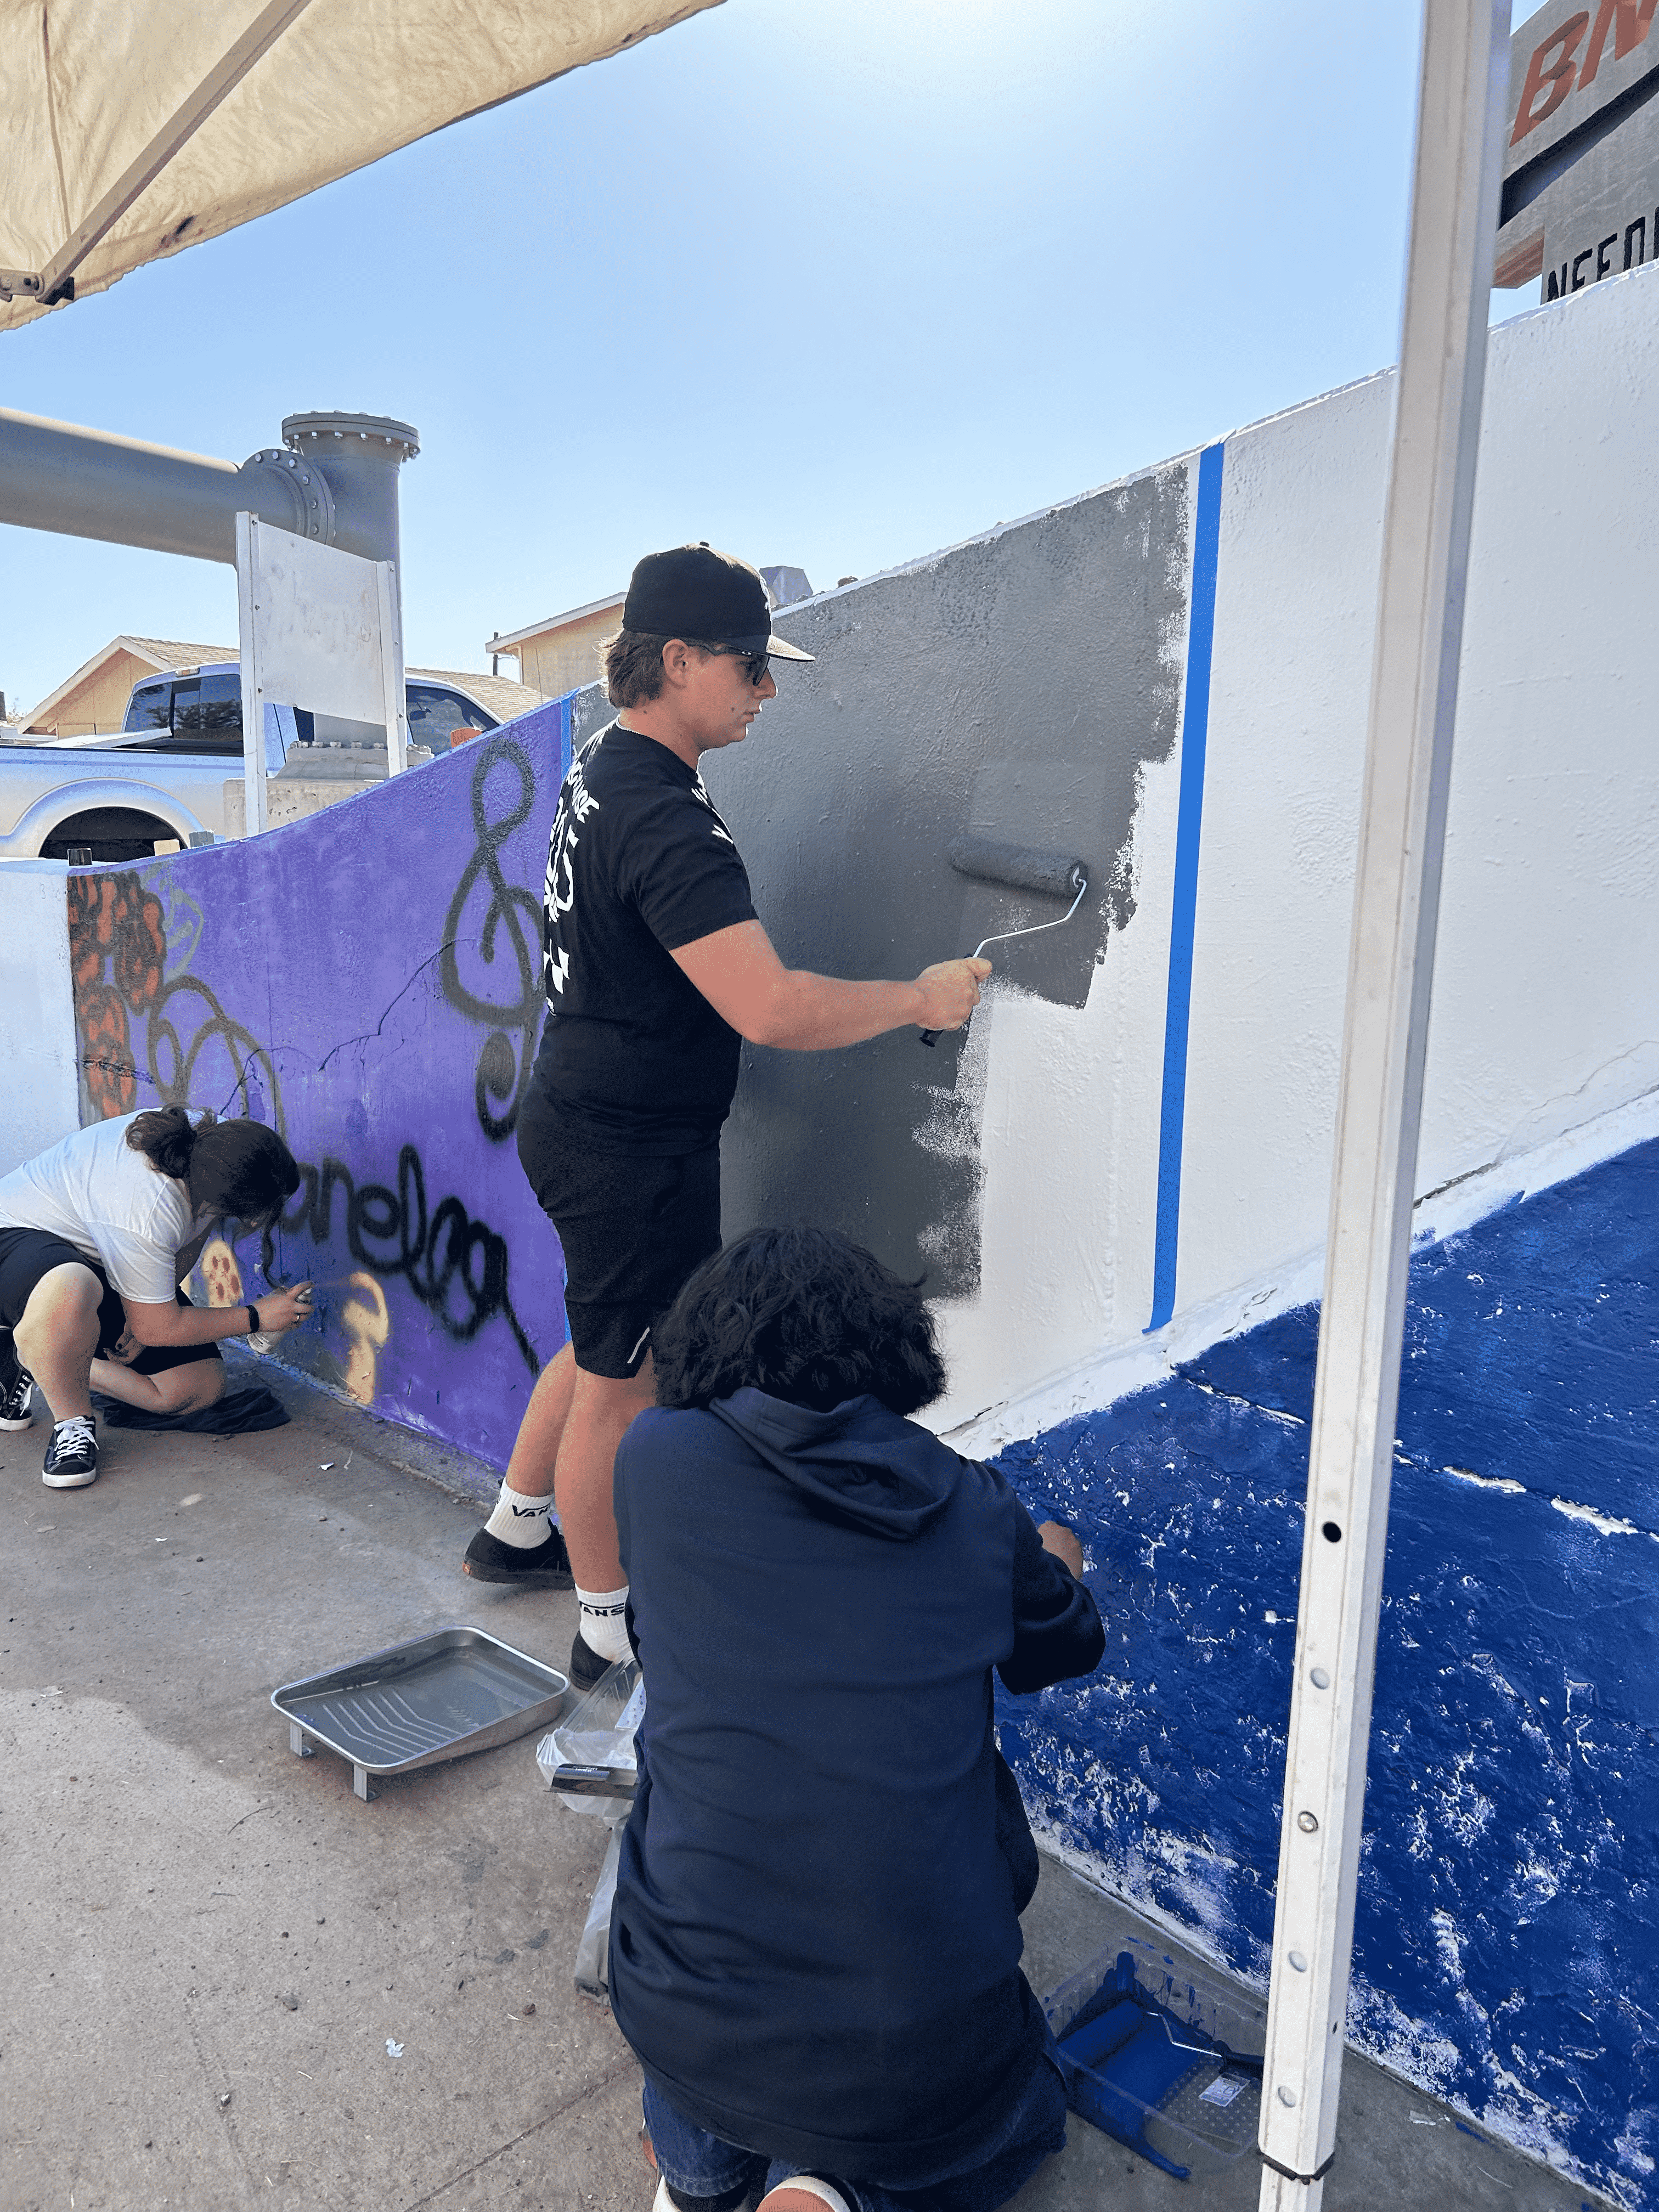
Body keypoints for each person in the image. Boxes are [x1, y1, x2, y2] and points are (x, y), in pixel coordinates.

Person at [461, 544, 992, 1690]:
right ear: (679, 659)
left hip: (590, 1119)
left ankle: (515, 1527)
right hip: (629, 1148)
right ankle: (609, 1624)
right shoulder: (664, 820)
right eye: (751, 666)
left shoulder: (608, 766)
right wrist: (920, 998)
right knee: (627, 1384)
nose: (767, 689)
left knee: (609, 1342)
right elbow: (773, 1006)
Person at [607, 1224, 1105, 2212]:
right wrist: (1054, 1558)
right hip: (906, 2056)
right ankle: (825, 2194)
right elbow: (1064, 1646)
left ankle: (702, 2177)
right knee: (1027, 2103)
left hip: (684, 2010)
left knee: (702, 2048)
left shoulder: (654, 1459)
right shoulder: (976, 1509)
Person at [0, 1106, 311, 1487]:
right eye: (251, 1214)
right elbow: (158, 1328)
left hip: (104, 1252)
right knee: (72, 1285)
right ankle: (72, 1426)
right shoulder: (147, 1208)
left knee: (196, 1388)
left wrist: (144, 1310)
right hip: (18, 1239)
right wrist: (256, 1318)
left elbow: (190, 1235)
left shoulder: (211, 1150)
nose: (253, 1223)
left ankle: (34, 1356)